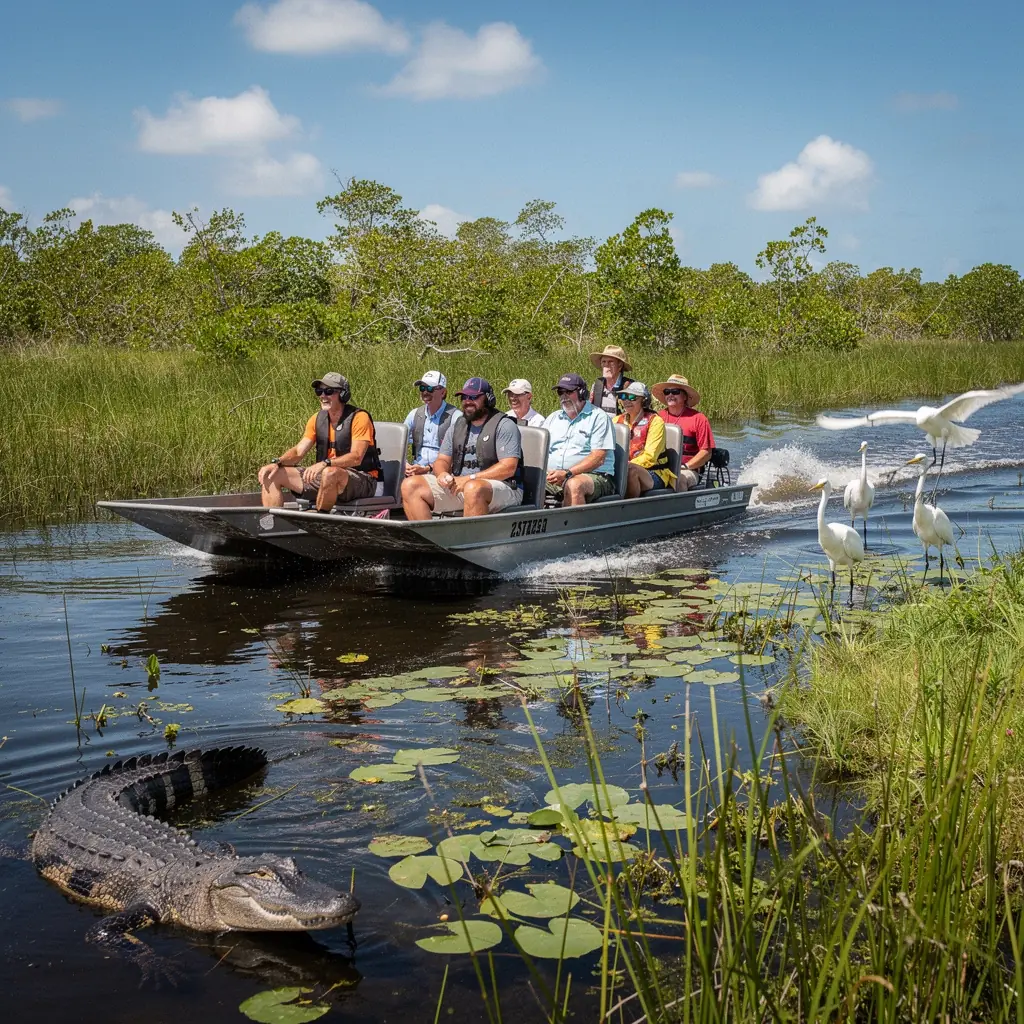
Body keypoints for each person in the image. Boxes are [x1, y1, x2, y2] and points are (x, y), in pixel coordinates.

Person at [401, 377, 523, 520]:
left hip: (505, 487)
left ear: (489, 399)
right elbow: (442, 460)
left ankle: (470, 540)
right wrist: (442, 475)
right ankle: (428, 540)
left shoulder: (505, 425)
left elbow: (508, 468)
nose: (467, 401)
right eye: (464, 397)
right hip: (462, 484)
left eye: (473, 397)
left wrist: (469, 479)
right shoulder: (458, 425)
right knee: (410, 485)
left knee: (473, 488)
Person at [257, 372, 380, 511]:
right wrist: (277, 462)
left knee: (330, 473)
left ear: (343, 394)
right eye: (319, 391)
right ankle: (273, 526)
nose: (323, 396)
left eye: (328, 391)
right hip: (326, 475)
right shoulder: (317, 419)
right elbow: (298, 452)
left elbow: (357, 457)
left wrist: (325, 463)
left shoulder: (359, 418)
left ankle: (320, 523)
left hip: (362, 480)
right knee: (272, 474)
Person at [543, 373, 617, 506]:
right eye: (560, 392)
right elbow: (540, 452)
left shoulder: (598, 417)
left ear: (582, 393)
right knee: (525, 483)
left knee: (574, 485)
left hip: (595, 475)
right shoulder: (553, 418)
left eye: (569, 391)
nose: (564, 396)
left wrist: (567, 473)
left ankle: (572, 526)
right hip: (554, 475)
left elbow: (598, 457)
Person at [653, 374, 714, 491]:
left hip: (689, 470)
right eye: (667, 391)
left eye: (675, 391)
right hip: (660, 467)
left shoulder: (698, 418)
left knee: (679, 478)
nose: (670, 395)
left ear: (685, 396)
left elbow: (706, 452)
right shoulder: (657, 417)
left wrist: (685, 466)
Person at [613, 383, 676, 497]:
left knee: (631, 471)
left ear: (643, 400)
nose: (626, 401)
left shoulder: (655, 422)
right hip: (621, 468)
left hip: (654, 472)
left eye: (632, 397)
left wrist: (623, 465)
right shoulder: (616, 421)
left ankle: (630, 509)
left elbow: (650, 457)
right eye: (623, 397)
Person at [403, 370, 461, 477]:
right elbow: (399, 443)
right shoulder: (414, 414)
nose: (425, 392)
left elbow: (459, 454)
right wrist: (405, 465)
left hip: (443, 473)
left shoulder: (456, 417)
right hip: (415, 470)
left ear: (443, 392)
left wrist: (428, 468)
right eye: (422, 388)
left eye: (430, 388)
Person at [588, 344, 635, 416]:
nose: (606, 365)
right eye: (604, 362)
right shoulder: (596, 386)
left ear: (620, 365)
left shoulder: (630, 386)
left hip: (622, 426)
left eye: (611, 362)